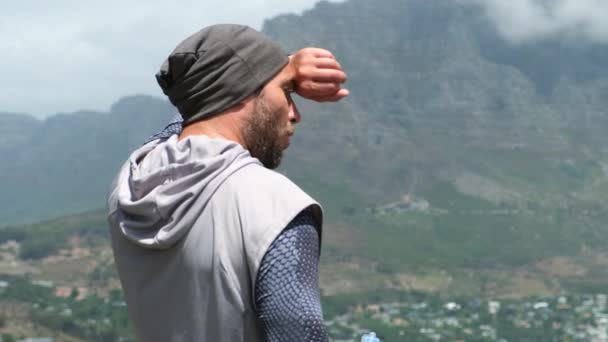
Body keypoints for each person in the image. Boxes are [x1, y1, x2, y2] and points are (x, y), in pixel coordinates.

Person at [107, 24, 348, 342]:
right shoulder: (276, 204)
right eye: (286, 92)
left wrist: (279, 67)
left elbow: (190, 113)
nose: (294, 113)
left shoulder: (129, 184)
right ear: (242, 94)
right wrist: (281, 65)